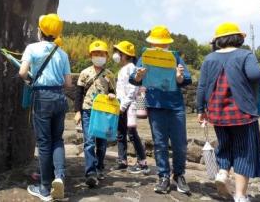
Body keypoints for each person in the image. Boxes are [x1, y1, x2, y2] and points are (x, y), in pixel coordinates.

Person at [196, 22, 260, 202]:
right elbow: (255, 75)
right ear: (238, 38)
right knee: (244, 153)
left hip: (217, 114)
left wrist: (200, 110)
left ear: (218, 40)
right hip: (242, 113)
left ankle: (223, 173)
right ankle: (240, 196)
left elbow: (202, 86)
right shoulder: (245, 55)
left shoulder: (209, 58)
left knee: (225, 146)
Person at [129, 25, 192, 195]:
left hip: (175, 105)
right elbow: (133, 79)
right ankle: (163, 176)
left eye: (162, 44)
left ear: (168, 45)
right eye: (156, 44)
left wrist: (179, 77)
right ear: (151, 43)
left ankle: (179, 175)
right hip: (155, 105)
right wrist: (139, 76)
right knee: (159, 143)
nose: (159, 47)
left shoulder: (175, 57)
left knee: (180, 144)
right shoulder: (146, 57)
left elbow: (187, 78)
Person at [19, 14, 72, 202]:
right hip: (60, 97)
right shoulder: (62, 53)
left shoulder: (32, 48)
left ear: (40, 31)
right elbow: (68, 83)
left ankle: (44, 187)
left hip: (42, 97)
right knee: (57, 139)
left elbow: (22, 72)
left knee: (43, 142)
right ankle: (59, 177)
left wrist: (30, 80)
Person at [74, 40, 116, 188]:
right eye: (95, 53)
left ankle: (99, 167)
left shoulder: (110, 75)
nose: (98, 56)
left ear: (106, 56)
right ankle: (90, 173)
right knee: (89, 142)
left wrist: (112, 95)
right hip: (87, 110)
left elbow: (112, 92)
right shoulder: (85, 73)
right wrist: (77, 111)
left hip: (104, 113)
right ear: (91, 55)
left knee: (102, 143)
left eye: (101, 54)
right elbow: (78, 94)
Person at [112, 41, 149, 174]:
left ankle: (142, 162)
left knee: (132, 133)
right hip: (122, 105)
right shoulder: (124, 68)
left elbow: (133, 89)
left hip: (129, 105)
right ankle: (122, 160)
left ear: (126, 55)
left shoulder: (131, 68)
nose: (116, 55)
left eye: (119, 52)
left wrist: (123, 106)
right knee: (120, 133)